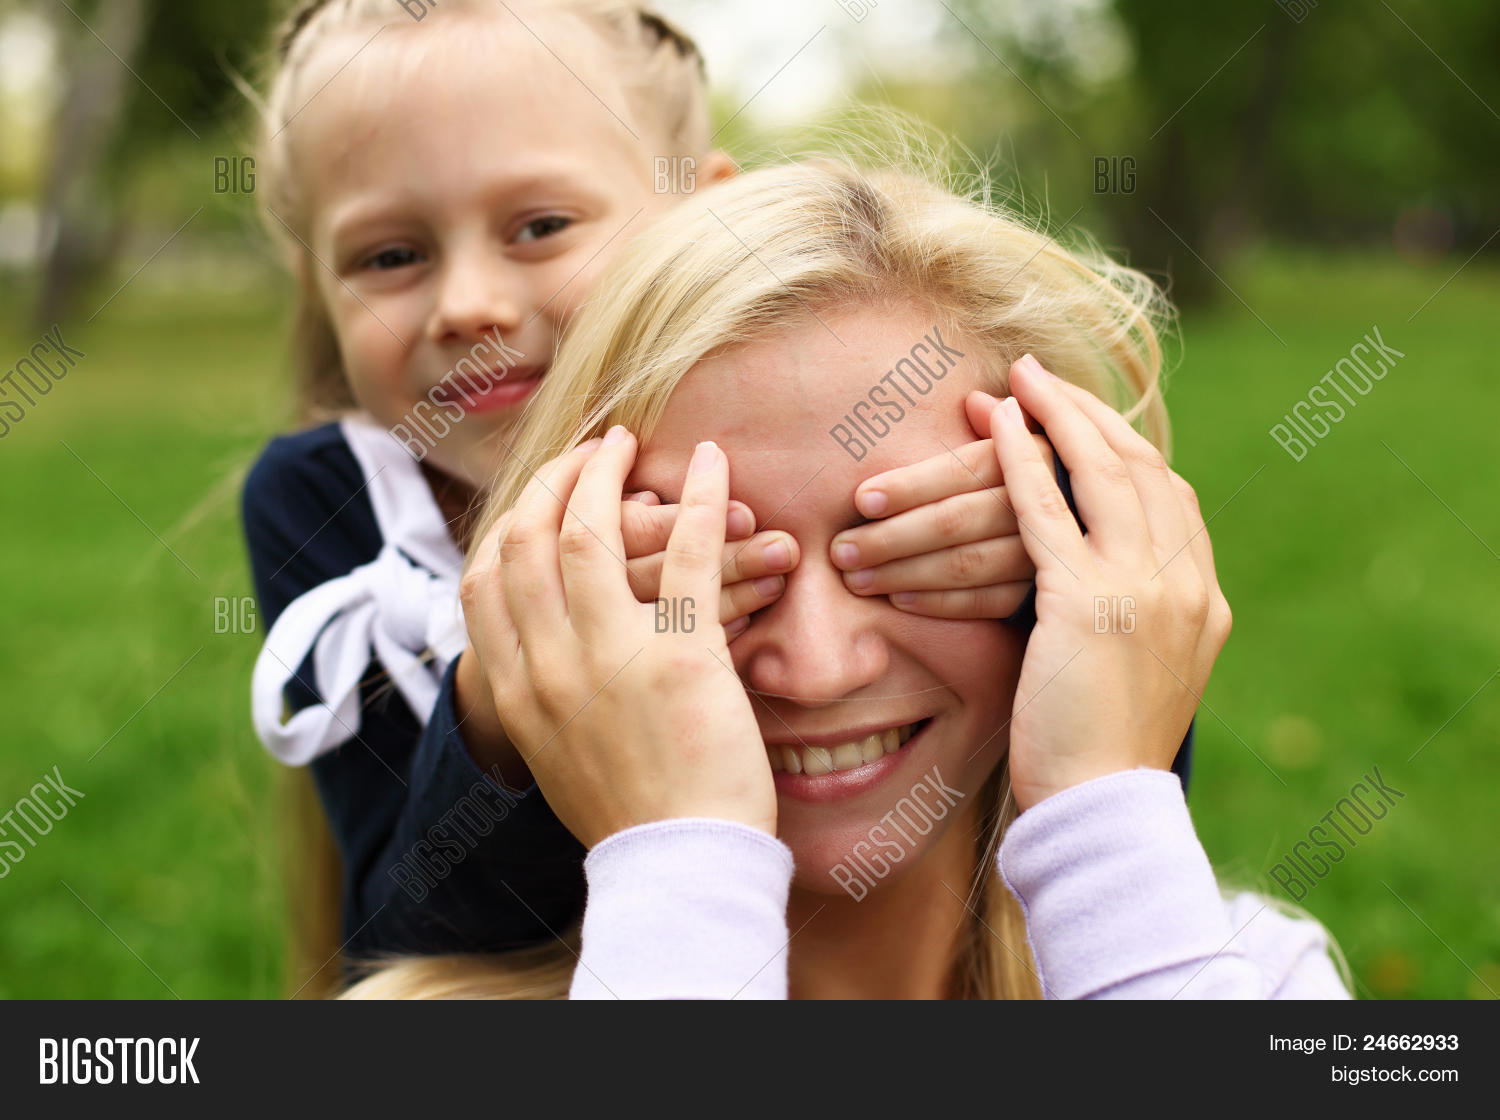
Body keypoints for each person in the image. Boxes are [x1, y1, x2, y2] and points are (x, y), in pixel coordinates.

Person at [346, 158, 1347, 998]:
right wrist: (682, 863)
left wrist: (1104, 812)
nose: (815, 668)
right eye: (703, 568)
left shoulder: (1254, 977)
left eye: (914, 552)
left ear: (1081, 550)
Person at [240, 1, 1049, 966]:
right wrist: (501, 701)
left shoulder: (790, 409)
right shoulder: (328, 496)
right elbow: (400, 937)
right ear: (317, 283)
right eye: (390, 256)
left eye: (540, 227)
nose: (467, 305)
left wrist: (1049, 563)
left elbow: (1114, 764)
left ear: (701, 217)